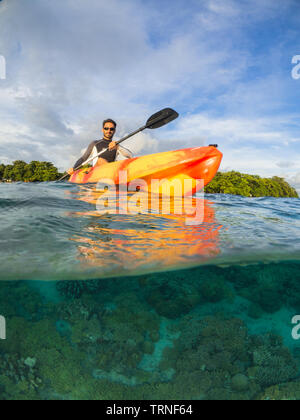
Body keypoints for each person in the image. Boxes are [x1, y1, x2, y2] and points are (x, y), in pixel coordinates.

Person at [68, 119, 132, 175]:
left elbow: (130, 156)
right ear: (102, 130)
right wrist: (74, 168)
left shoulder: (116, 145)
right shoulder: (95, 143)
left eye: (111, 129)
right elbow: (83, 158)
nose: (109, 131)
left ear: (114, 131)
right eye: (106, 128)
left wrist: (118, 147)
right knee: (100, 160)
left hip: (111, 173)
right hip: (96, 172)